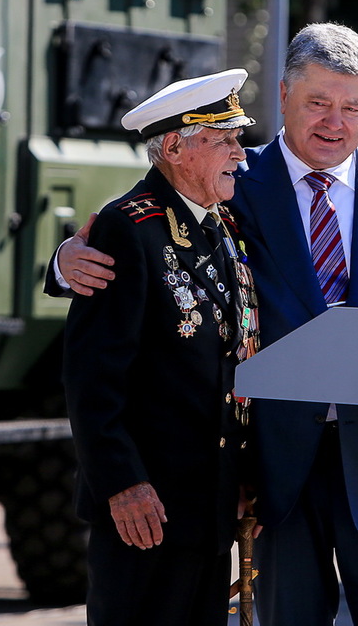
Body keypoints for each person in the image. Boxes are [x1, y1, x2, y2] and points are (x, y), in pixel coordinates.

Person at [55, 23, 358, 626]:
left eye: (352, 108)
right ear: (283, 96)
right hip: (277, 466)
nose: (335, 122)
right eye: (318, 103)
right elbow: (142, 242)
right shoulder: (233, 181)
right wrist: (64, 264)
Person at [60, 68, 261, 626]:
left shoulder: (221, 225)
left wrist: (242, 472)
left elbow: (226, 357)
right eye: (224, 140)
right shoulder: (130, 227)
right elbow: (92, 377)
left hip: (209, 503)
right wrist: (122, 483)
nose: (239, 154)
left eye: (237, 139)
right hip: (145, 507)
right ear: (174, 147)